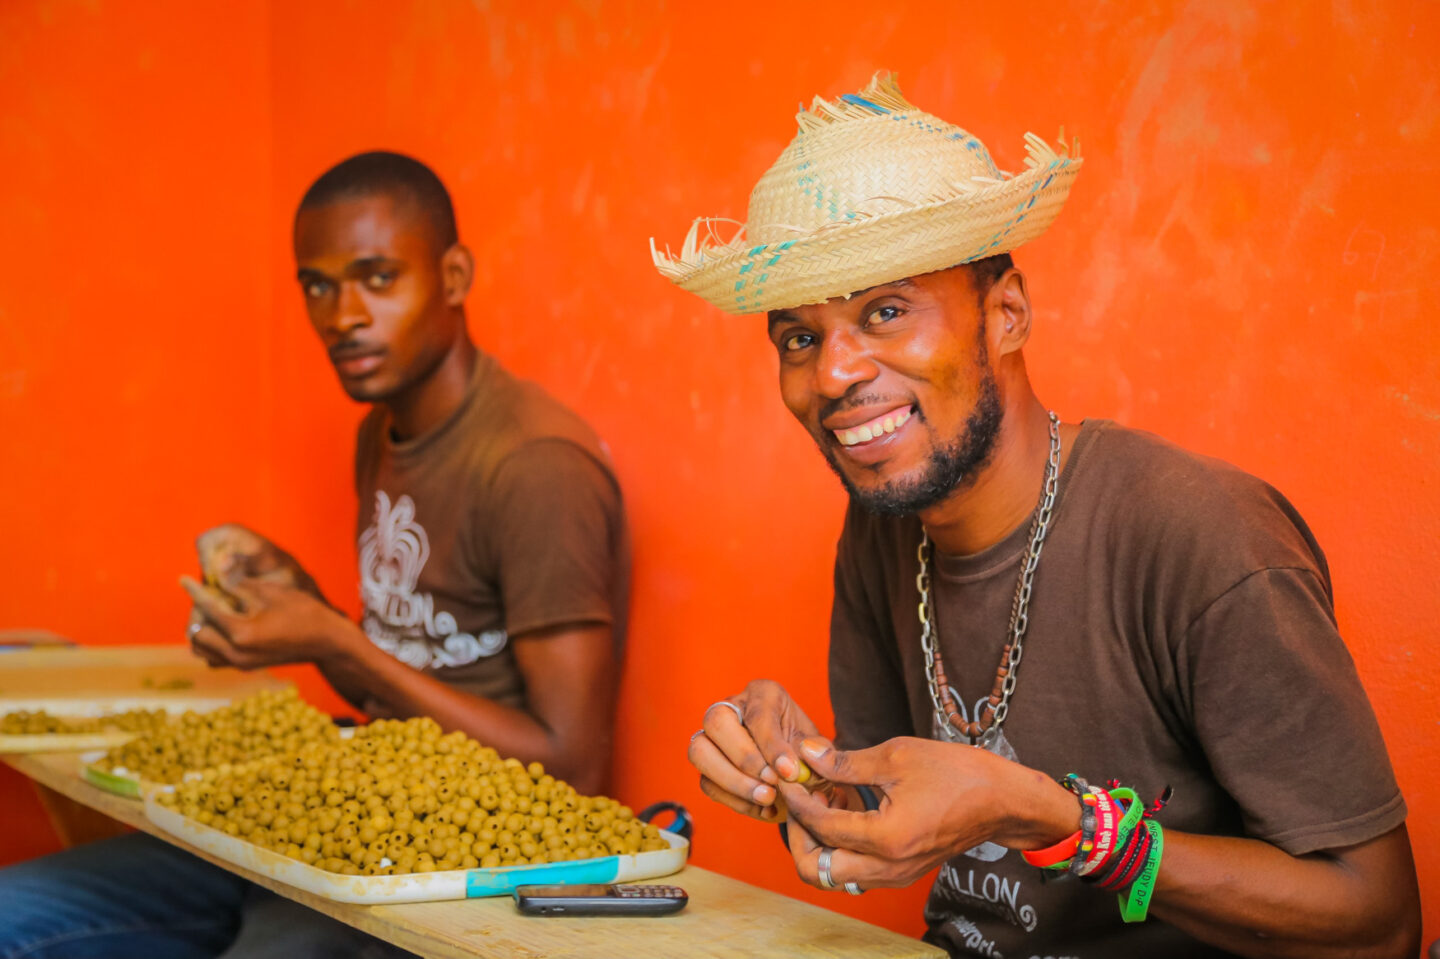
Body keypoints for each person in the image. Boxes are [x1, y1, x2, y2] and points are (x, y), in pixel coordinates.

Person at [659, 73, 1420, 958]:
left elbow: (1380, 921)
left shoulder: (1201, 538)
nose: (833, 373)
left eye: (887, 311)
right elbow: (887, 829)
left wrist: (1055, 819)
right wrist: (794, 772)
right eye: (799, 336)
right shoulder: (882, 524)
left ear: (1008, 313)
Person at [0, 151, 629, 959]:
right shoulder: (383, 427)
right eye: (318, 286)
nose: (342, 316)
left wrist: (331, 638)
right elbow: (399, 672)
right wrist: (305, 605)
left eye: (376, 277)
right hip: (352, 813)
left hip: (457, 869)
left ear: (454, 274)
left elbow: (571, 763)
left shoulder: (534, 463)